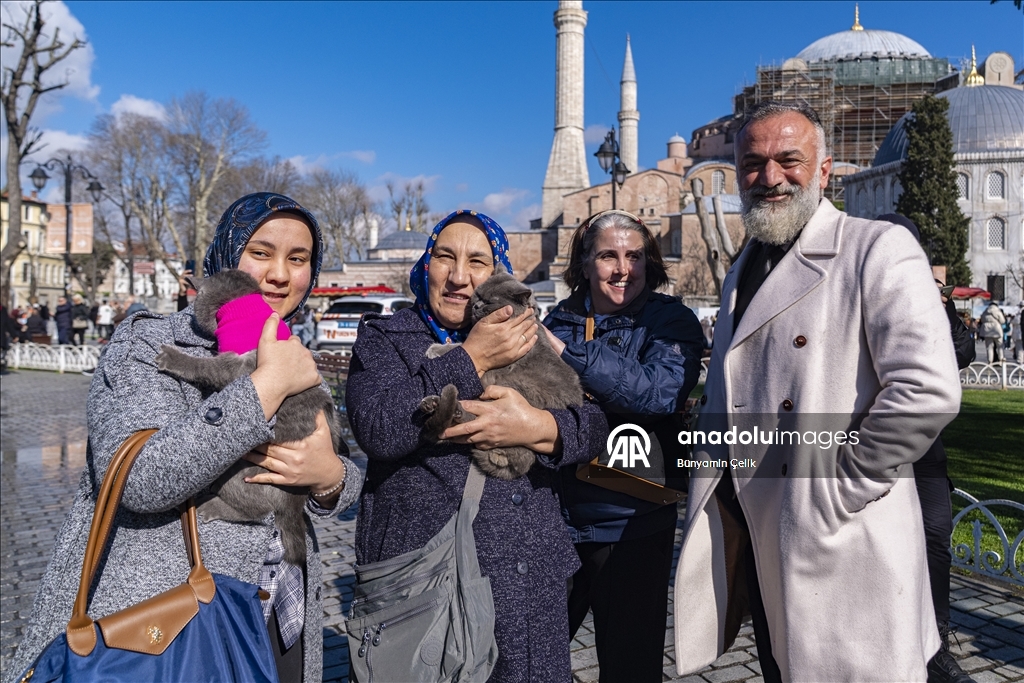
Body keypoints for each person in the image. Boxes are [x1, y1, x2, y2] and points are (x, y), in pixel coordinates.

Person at [5, 192, 363, 683]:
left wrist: (332, 478)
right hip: (166, 626)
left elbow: (337, 472)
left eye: (298, 259)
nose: (280, 273)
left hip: (278, 611)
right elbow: (140, 477)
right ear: (226, 257)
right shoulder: (150, 342)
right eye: (260, 252)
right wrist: (265, 387)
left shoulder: (291, 348)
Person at [672, 101, 961, 682]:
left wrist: (837, 488)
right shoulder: (741, 268)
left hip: (841, 539)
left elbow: (925, 389)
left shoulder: (875, 249)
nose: (770, 177)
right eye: (753, 163)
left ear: (825, 170)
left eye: (789, 159)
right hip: (762, 534)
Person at [345, 209, 608, 681]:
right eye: (445, 256)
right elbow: (379, 427)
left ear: (497, 273)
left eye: (477, 262)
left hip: (530, 578)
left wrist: (534, 427)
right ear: (426, 264)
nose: (458, 276)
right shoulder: (387, 338)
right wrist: (473, 357)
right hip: (431, 583)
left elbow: (592, 424)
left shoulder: (525, 332)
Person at [543, 209, 704, 682]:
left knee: (630, 668)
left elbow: (657, 393)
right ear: (585, 264)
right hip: (554, 522)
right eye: (608, 256)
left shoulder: (670, 320)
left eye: (633, 256)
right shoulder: (560, 318)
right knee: (531, 661)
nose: (622, 269)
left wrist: (569, 356)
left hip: (631, 523)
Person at [880, 213, 976, 683]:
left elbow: (962, 353)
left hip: (925, 446)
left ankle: (935, 638)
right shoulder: (862, 291)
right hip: (869, 443)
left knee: (936, 534)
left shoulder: (928, 298)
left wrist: (941, 304)